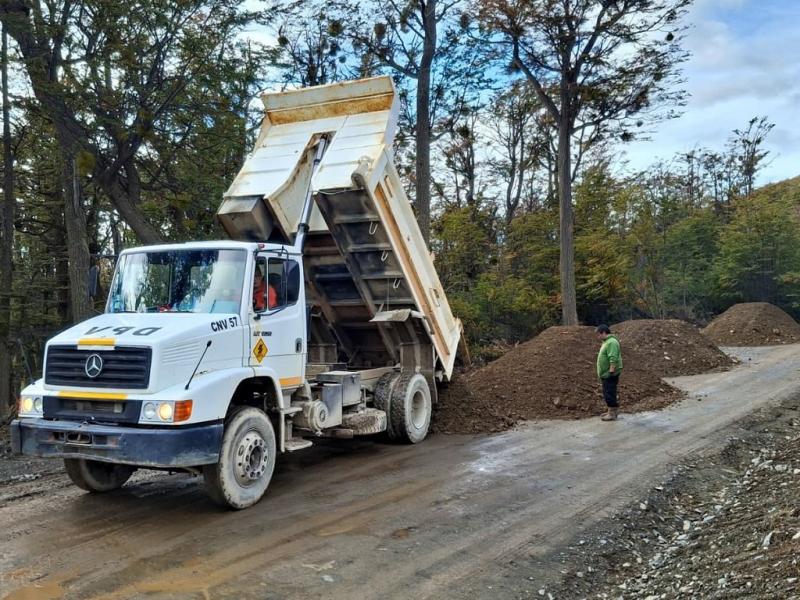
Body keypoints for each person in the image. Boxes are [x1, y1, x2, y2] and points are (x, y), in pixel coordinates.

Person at [596, 324, 623, 421]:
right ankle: (611, 411)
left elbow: (613, 358)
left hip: (610, 373)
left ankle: (612, 413)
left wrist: (611, 371)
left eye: (599, 334)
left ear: (603, 332)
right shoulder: (606, 341)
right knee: (609, 392)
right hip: (606, 373)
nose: (598, 337)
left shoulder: (611, 342)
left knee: (609, 393)